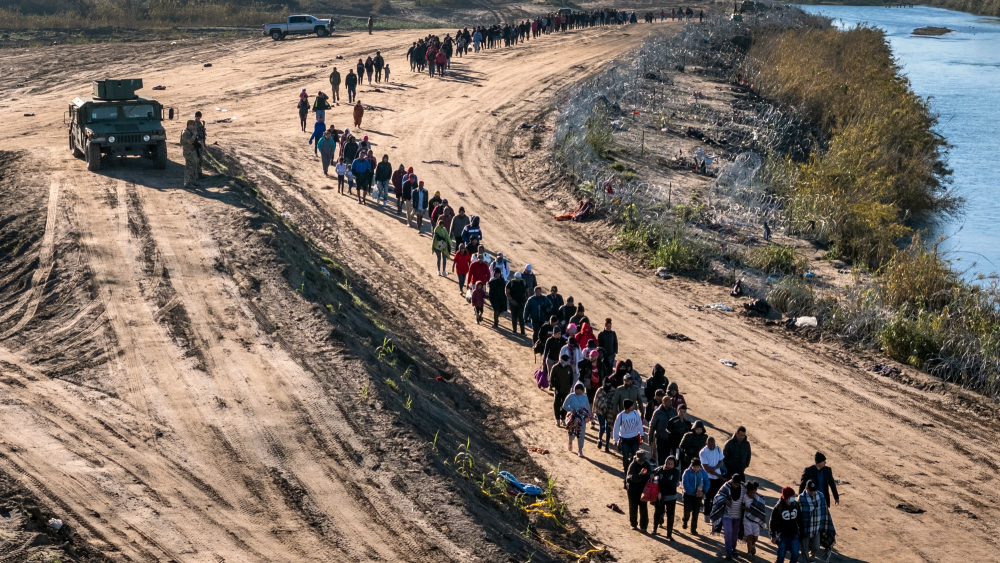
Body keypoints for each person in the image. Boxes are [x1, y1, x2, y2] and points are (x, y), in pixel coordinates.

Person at [710, 473, 747, 560]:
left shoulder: (744, 488)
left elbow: (748, 499)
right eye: (734, 483)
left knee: (734, 534)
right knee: (728, 532)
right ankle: (728, 552)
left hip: (738, 516)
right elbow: (718, 497)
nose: (735, 485)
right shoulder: (726, 486)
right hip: (727, 515)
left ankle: (733, 548)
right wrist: (725, 500)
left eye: (737, 484)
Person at [798, 480, 836, 562]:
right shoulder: (801, 498)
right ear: (806, 488)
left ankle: (812, 557)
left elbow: (825, 512)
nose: (812, 492)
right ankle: (806, 561)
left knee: (816, 547)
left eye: (814, 490)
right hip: (805, 529)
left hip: (816, 528)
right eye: (810, 490)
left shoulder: (821, 496)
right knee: (804, 549)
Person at [612, 399, 645, 485]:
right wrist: (615, 440)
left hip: (634, 438)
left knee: (636, 456)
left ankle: (635, 474)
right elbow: (616, 428)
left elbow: (639, 424)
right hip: (624, 439)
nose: (633, 407)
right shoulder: (620, 416)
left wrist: (642, 434)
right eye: (632, 406)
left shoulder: (635, 413)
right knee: (625, 457)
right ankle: (626, 474)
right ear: (627, 407)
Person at [770, 487, 802, 563]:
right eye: (791, 498)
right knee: (781, 555)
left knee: (795, 554)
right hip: (782, 535)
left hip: (794, 534)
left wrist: (801, 532)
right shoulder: (778, 507)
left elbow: (800, 519)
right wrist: (773, 535)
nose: (793, 499)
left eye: (793, 497)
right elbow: (772, 522)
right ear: (786, 498)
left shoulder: (796, 505)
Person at [652, 455, 681, 539]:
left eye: (671, 464)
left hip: (671, 496)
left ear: (674, 464)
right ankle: (654, 528)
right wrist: (653, 477)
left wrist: (660, 483)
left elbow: (672, 484)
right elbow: (652, 473)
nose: (669, 465)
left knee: (670, 515)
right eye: (668, 463)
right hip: (660, 496)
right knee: (658, 512)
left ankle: (669, 534)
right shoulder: (660, 469)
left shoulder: (676, 472)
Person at [625, 450, 654, 532]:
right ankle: (633, 524)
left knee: (643, 508)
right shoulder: (632, 465)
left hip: (643, 489)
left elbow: (649, 473)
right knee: (633, 507)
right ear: (636, 459)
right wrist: (640, 474)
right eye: (640, 461)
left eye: (643, 460)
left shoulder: (646, 465)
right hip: (632, 490)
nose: (641, 462)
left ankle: (644, 526)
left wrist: (650, 475)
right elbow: (631, 478)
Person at [700, 436, 725, 521]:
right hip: (708, 478)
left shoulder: (718, 449)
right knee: (708, 496)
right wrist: (718, 475)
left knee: (716, 496)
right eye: (710, 445)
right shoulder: (703, 452)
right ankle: (706, 514)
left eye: (713, 444)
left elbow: (721, 461)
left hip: (717, 478)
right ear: (706, 444)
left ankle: (714, 514)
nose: (712, 446)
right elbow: (707, 468)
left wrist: (715, 468)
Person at [562, 382, 591, 457]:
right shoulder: (571, 396)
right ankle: (570, 441)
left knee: (581, 434)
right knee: (572, 433)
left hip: (582, 417)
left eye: (580, 390)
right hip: (573, 417)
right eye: (577, 390)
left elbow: (587, 406)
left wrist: (589, 415)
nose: (578, 391)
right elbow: (564, 405)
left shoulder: (585, 396)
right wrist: (571, 409)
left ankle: (580, 449)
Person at [681, 458, 708, 535]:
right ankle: (685, 520)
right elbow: (685, 484)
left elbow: (707, 482)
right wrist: (693, 492)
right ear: (691, 466)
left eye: (697, 467)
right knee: (687, 511)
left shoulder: (703, 472)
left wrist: (703, 492)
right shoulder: (687, 472)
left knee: (696, 513)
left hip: (698, 496)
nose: (696, 469)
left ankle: (693, 529)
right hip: (688, 495)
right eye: (694, 467)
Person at [743, 481, 766, 560]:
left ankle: (752, 545)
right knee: (749, 536)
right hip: (747, 519)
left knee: (755, 537)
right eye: (751, 493)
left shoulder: (760, 498)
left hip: (756, 520)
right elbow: (741, 505)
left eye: (754, 493)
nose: (752, 494)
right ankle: (749, 552)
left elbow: (761, 509)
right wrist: (744, 508)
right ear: (748, 491)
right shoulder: (744, 496)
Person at [591, 377, 615, 452]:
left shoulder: (613, 391)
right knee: (602, 427)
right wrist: (603, 406)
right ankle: (600, 439)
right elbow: (596, 401)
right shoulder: (600, 390)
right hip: (600, 412)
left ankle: (607, 445)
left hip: (609, 413)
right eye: (606, 384)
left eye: (609, 384)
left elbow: (614, 401)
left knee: (608, 429)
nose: (608, 385)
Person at [550, 354, 574, 426]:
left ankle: (563, 418)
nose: (566, 362)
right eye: (565, 360)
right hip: (558, 390)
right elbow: (551, 379)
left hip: (566, 390)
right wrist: (555, 387)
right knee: (557, 404)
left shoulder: (569, 368)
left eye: (567, 360)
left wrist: (570, 386)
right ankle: (557, 419)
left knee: (565, 405)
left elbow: (571, 378)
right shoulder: (555, 367)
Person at [648, 395, 672, 466]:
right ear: (664, 402)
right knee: (661, 456)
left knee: (669, 456)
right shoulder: (657, 412)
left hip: (670, 439)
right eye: (668, 402)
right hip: (660, 438)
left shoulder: (674, 411)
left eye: (671, 401)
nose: (670, 403)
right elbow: (652, 425)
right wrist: (650, 438)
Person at [180, 120, 200, 189]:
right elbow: (190, 142)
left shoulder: (190, 132)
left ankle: (193, 181)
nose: (194, 127)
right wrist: (194, 135)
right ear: (189, 125)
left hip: (192, 151)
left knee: (194, 166)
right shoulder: (186, 133)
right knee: (189, 167)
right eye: (193, 125)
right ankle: (187, 183)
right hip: (188, 152)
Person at [193, 111, 207, 178]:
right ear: (195, 116)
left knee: (200, 158)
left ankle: (199, 173)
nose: (198, 118)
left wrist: (204, 144)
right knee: (197, 158)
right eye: (198, 117)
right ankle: (197, 173)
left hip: (201, 142)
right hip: (197, 143)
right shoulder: (194, 124)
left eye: (199, 117)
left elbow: (202, 134)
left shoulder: (200, 123)